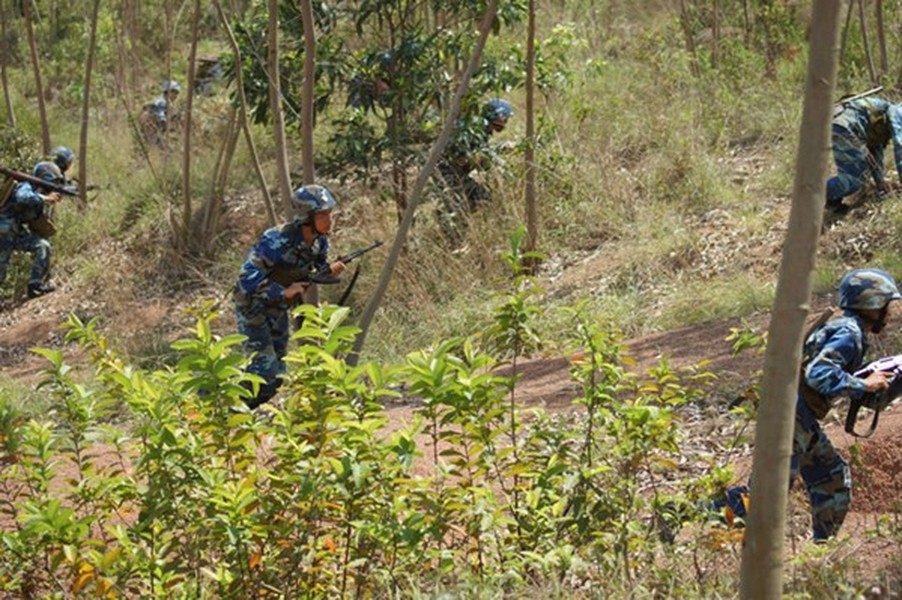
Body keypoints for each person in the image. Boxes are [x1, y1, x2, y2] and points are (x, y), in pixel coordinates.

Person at [708, 268, 900, 543]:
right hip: (790, 415)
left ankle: (821, 552)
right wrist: (864, 385)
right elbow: (819, 373)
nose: (889, 312)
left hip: (798, 415)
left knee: (832, 480)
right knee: (765, 499)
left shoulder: (844, 326)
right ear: (871, 304)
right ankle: (678, 513)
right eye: (885, 304)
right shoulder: (848, 332)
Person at [233, 184, 346, 409]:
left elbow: (314, 269)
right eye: (323, 215)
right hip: (253, 307)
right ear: (307, 217)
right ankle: (222, 408)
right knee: (262, 371)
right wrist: (283, 291)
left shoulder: (320, 242)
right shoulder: (275, 240)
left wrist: (329, 271)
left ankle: (238, 414)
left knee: (277, 377)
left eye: (330, 214)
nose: (329, 220)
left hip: (277, 308)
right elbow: (247, 279)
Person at [436, 98, 513, 235]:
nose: (506, 123)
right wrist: (501, 153)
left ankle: (452, 224)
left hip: (450, 170)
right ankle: (451, 226)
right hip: (448, 171)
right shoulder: (477, 128)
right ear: (497, 116)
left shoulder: (478, 127)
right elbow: (478, 154)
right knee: (480, 197)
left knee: (469, 199)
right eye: (505, 119)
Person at [826, 96, 902, 215]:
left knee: (858, 174)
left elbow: (875, 152)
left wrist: (880, 184)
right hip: (845, 126)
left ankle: (831, 201)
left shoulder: (883, 116)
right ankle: (814, 193)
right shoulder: (899, 113)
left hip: (843, 124)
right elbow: (900, 149)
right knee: (855, 178)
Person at [0, 161, 64, 298]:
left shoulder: (36, 194)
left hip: (15, 233)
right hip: (3, 232)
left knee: (42, 246)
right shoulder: (25, 185)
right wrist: (45, 198)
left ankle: (35, 286)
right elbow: (23, 198)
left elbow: (33, 219)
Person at [140, 80, 182, 148]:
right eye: (174, 93)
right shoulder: (162, 102)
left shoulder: (164, 102)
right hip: (152, 130)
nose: (176, 96)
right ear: (168, 92)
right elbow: (161, 117)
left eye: (177, 93)